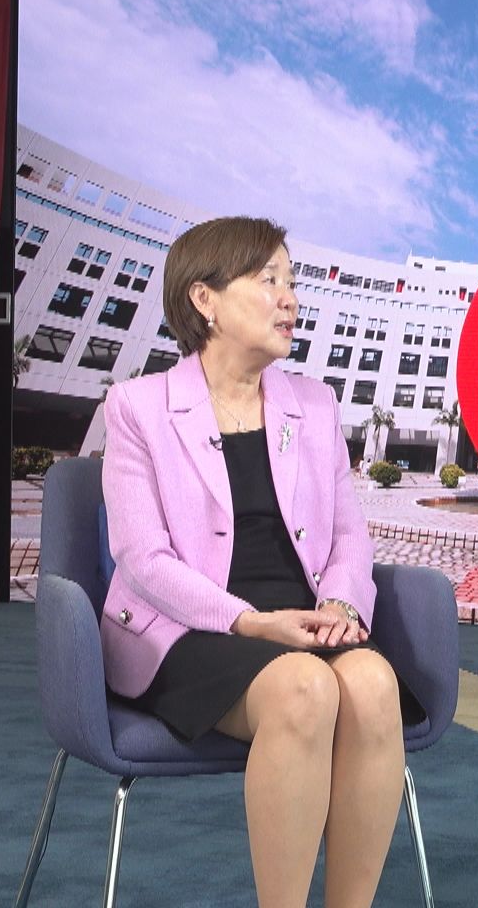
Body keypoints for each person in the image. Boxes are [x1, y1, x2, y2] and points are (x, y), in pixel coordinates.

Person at [99, 216, 419, 908]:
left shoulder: (315, 404)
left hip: (303, 620)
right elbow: (141, 557)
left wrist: (340, 606)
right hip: (188, 630)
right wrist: (251, 622)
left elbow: (349, 535)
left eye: (291, 281)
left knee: (372, 683)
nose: (289, 298)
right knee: (304, 688)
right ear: (204, 299)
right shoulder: (137, 407)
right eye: (268, 279)